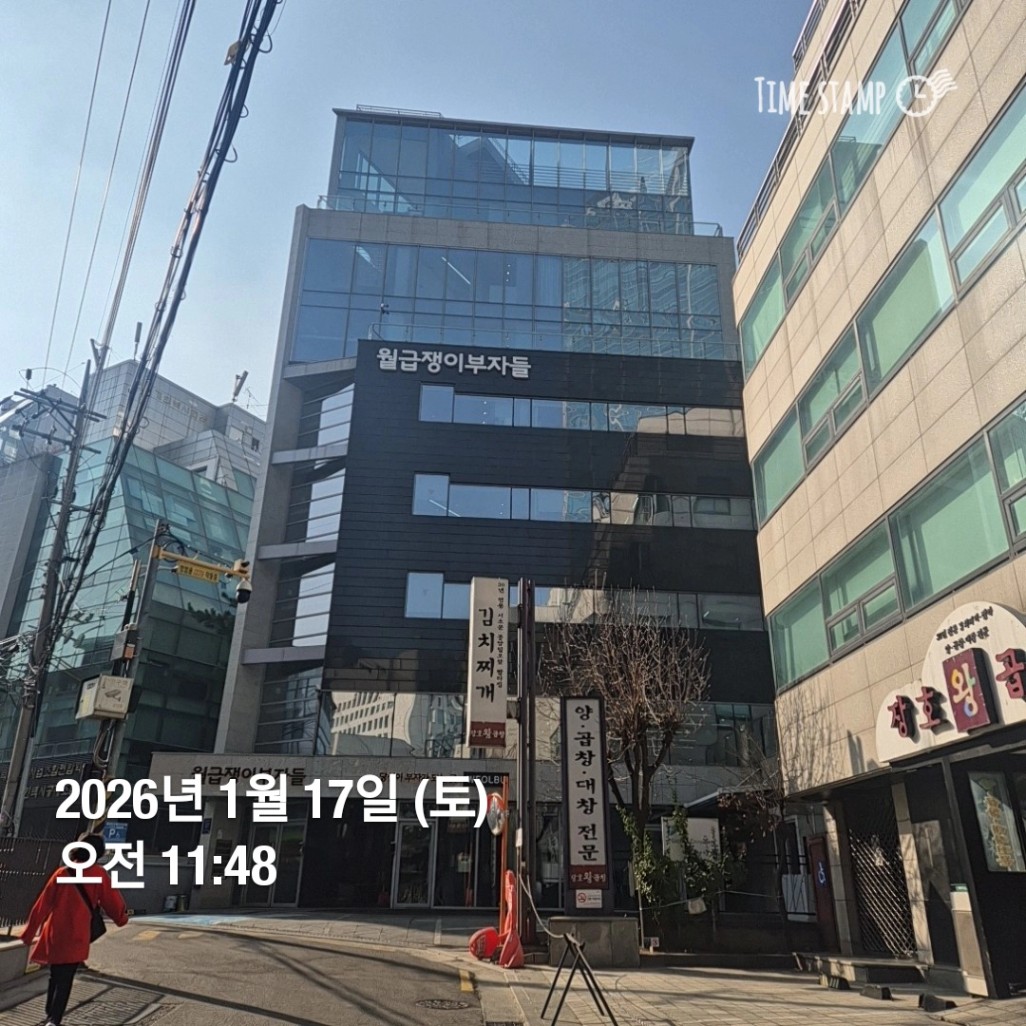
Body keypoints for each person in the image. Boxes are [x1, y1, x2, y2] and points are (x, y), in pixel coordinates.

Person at [20, 832, 129, 1026]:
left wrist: (29, 934)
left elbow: (42, 905)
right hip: (77, 935)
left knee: (55, 975)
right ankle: (54, 1020)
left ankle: (50, 1014)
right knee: (66, 978)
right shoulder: (98, 875)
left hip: (55, 934)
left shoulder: (62, 873)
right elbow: (112, 901)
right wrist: (122, 918)